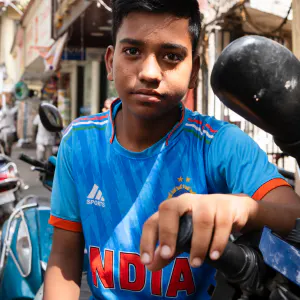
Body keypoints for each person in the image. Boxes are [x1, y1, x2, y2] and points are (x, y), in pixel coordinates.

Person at [44, 0, 300, 299]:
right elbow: (64, 257)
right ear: (111, 62)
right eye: (133, 51)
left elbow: (293, 215)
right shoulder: (79, 142)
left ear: (194, 72)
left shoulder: (218, 144)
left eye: (171, 56)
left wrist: (241, 207)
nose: (150, 72)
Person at [0, 92, 18, 156]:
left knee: (8, 148)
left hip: (9, 131)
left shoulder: (8, 109)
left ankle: (7, 158)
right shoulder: (5, 109)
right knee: (4, 148)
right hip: (3, 131)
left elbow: (9, 112)